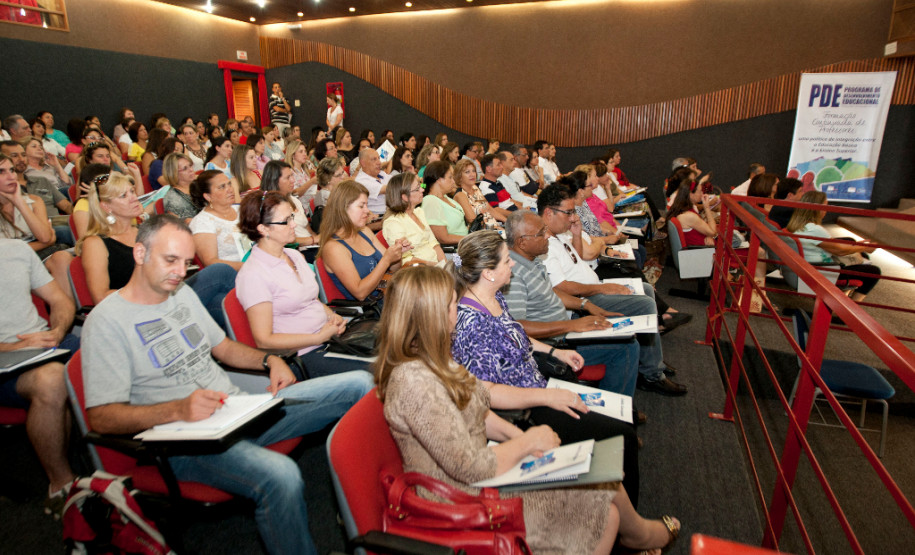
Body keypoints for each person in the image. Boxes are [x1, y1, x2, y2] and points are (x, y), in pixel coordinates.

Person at [81, 214, 374, 555]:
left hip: (237, 412)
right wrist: (178, 408)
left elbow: (223, 347)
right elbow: (102, 417)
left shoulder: (179, 296)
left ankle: (363, 512)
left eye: (186, 263)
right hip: (184, 444)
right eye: (170, 260)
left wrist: (268, 360)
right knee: (280, 476)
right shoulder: (107, 322)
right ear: (140, 253)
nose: (179, 272)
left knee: (361, 384)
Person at [378, 264, 681, 553]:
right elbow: (468, 467)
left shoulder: (436, 358)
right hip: (458, 496)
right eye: (452, 305)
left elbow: (480, 411)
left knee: (600, 477)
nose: (458, 310)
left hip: (480, 468)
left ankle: (638, 535)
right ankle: (640, 535)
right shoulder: (414, 381)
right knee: (606, 512)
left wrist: (521, 436)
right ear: (432, 315)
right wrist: (528, 442)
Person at [537, 183, 687, 396]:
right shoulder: (544, 243)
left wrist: (577, 235)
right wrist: (602, 289)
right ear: (549, 213)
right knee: (645, 303)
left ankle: (650, 361)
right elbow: (561, 287)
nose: (573, 217)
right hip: (584, 299)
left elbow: (576, 260)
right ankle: (652, 374)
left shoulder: (559, 233)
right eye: (568, 212)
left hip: (593, 289)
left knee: (645, 289)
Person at [503, 212, 641, 397]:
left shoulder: (532, 258)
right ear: (522, 242)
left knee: (624, 334)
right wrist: (571, 325)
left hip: (563, 331)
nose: (547, 237)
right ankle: (617, 413)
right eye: (541, 233)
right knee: (627, 348)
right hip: (550, 345)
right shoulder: (512, 275)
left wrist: (585, 305)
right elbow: (517, 327)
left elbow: (549, 292)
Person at [236, 191, 370, 378]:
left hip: (329, 339)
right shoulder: (253, 274)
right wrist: (317, 337)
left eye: (292, 217)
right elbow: (264, 340)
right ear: (263, 229)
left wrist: (334, 316)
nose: (293, 225)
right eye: (285, 221)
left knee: (393, 354)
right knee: (375, 372)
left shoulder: (294, 256)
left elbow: (312, 301)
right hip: (301, 356)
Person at [76, 174, 236, 328]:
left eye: (132, 191)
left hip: (168, 295)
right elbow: (101, 296)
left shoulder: (143, 231)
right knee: (220, 271)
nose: (133, 198)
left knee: (222, 302)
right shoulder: (96, 243)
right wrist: (151, 289)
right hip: (141, 307)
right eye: (123, 196)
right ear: (106, 206)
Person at [0, 239, 78, 518]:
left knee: (112, 344)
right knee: (52, 379)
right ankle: (61, 485)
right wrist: (13, 348)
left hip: (44, 345)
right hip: (5, 362)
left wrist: (57, 331)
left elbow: (60, 301)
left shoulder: (16, 250)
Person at [318, 179, 409, 301]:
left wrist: (397, 254)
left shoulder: (364, 231)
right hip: (371, 309)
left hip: (386, 296)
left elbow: (393, 269)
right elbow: (360, 293)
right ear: (343, 209)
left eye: (366, 205)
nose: (367, 210)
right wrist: (387, 259)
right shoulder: (333, 248)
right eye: (361, 206)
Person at [787, 191, 882, 302]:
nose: (826, 210)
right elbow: (840, 251)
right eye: (825, 206)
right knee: (874, 271)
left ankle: (843, 299)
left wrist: (858, 246)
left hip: (809, 268)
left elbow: (834, 246)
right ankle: (851, 309)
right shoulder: (814, 229)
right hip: (823, 272)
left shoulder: (797, 225)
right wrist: (864, 247)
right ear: (816, 209)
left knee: (856, 250)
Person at [0, 152, 72, 297]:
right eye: (1, 172)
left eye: (12, 170)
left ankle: (72, 312)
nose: (11, 176)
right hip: (8, 261)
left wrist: (19, 201)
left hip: (39, 254)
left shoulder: (34, 201)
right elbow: (46, 240)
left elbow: (45, 237)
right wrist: (43, 243)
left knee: (61, 258)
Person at [382, 172, 444, 266]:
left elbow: (434, 244)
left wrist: (445, 265)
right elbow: (406, 260)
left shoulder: (419, 212)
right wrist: (436, 266)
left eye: (421, 185)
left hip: (436, 266)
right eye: (417, 188)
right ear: (405, 197)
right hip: (419, 272)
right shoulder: (393, 223)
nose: (422, 190)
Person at [189, 170, 245, 270]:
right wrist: (249, 267)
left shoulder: (241, 210)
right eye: (222, 187)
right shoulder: (202, 222)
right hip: (231, 275)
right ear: (208, 196)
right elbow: (211, 262)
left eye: (229, 184)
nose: (230, 190)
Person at [261, 160, 319, 247]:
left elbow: (308, 230)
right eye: (288, 177)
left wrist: (319, 242)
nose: (293, 180)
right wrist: (314, 240)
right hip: (297, 249)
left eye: (292, 175)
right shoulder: (270, 207)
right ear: (275, 181)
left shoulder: (294, 200)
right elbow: (285, 240)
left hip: (311, 245)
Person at [420, 160, 468, 246]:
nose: (453, 181)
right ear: (438, 180)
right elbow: (442, 238)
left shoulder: (446, 197)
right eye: (450, 177)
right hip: (454, 250)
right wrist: (471, 239)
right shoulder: (430, 201)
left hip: (464, 244)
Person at [452, 158, 501, 228]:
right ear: (459, 176)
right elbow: (474, 221)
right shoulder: (460, 195)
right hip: (481, 232)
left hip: (493, 225)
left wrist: (507, 220)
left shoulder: (475, 188)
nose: (472, 174)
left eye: (473, 171)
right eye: (467, 172)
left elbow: (490, 209)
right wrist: (497, 230)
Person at [161, 153, 200, 222]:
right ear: (174, 173)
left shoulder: (197, 185)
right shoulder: (172, 199)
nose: (191, 170)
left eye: (190, 166)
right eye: (185, 168)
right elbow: (178, 225)